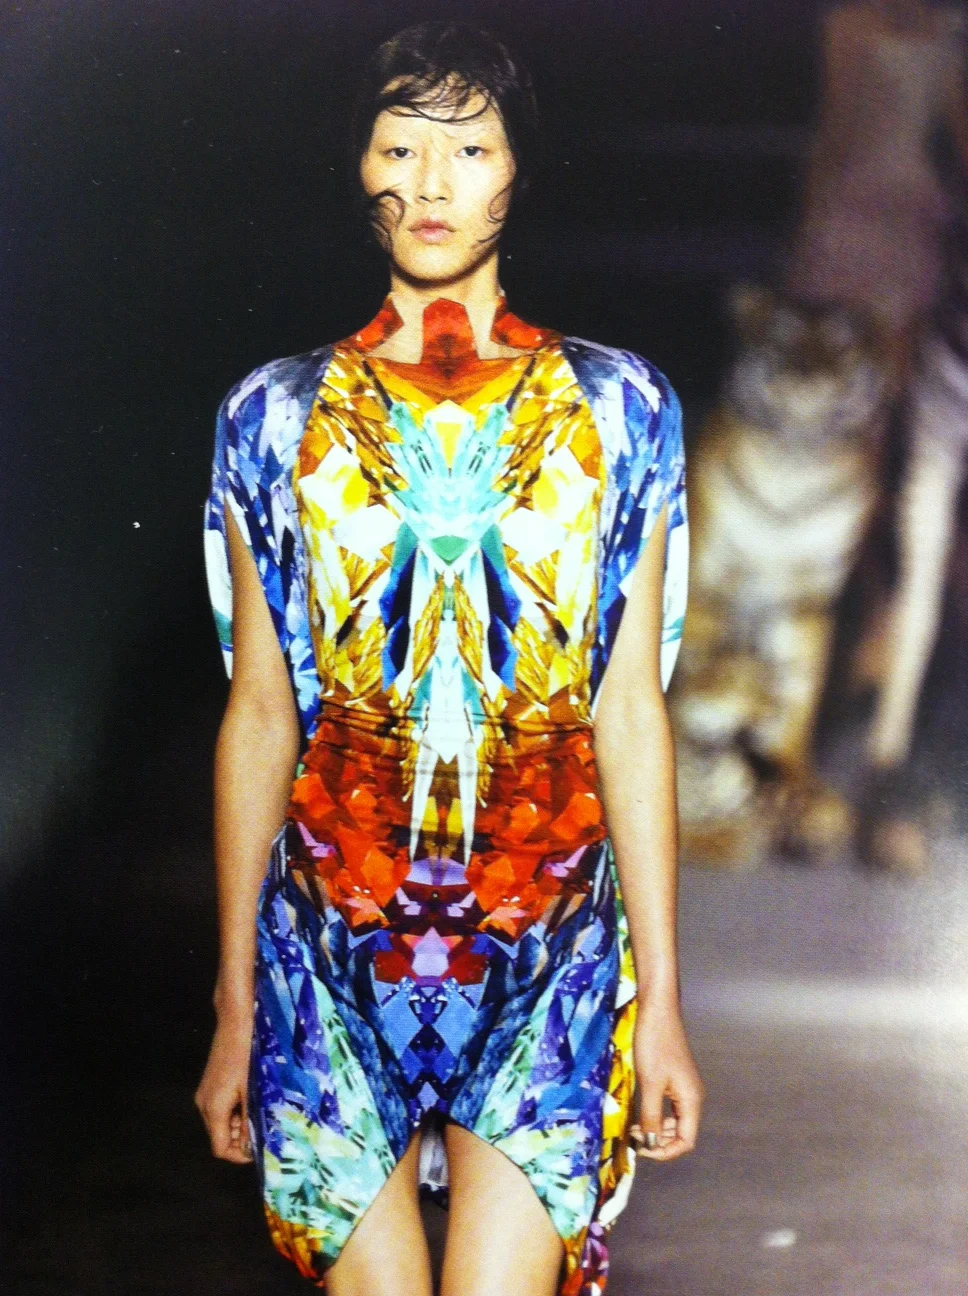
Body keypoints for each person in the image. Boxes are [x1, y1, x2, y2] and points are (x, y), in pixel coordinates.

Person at [194, 21, 703, 1296]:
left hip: (546, 942)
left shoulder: (618, 408)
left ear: (518, 169)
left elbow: (628, 708)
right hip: (329, 945)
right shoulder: (272, 416)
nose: (430, 184)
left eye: (469, 149)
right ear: (354, 166)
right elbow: (259, 712)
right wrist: (235, 1004)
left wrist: (662, 1004)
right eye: (399, 147)